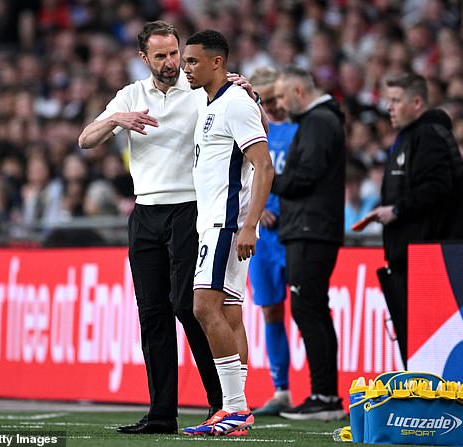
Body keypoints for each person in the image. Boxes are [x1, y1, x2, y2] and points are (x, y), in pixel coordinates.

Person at [78, 21, 222, 435]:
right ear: (145, 59)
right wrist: (116, 119)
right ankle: (162, 413)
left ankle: (220, 403)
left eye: (174, 53)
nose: (171, 62)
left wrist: (243, 87)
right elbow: (86, 139)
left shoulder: (198, 90)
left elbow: (234, 100)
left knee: (186, 307)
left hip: (187, 209)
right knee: (152, 315)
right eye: (161, 55)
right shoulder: (131, 95)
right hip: (145, 213)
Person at [181, 30, 274, 436]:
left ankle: (233, 407)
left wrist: (249, 224)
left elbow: (264, 165)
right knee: (231, 313)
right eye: (185, 62)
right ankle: (238, 411)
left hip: (226, 224)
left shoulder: (235, 103)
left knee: (204, 307)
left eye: (193, 62)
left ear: (217, 62)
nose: (186, 69)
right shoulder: (214, 103)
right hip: (216, 223)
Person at [363, 72, 463, 366]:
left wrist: (397, 210)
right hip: (412, 256)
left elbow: (437, 186)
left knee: (430, 343)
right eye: (388, 100)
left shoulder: (428, 135)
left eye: (396, 100)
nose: (389, 107)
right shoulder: (408, 137)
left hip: (432, 259)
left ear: (416, 103)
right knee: (414, 341)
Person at [272, 65, 347, 421]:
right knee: (313, 308)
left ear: (299, 92)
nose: (281, 105)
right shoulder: (323, 121)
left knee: (308, 308)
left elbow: (306, 174)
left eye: (284, 97)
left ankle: (324, 395)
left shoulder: (318, 122)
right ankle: (326, 395)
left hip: (310, 229)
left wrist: (271, 179)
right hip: (312, 227)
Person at [246, 67, 298, 416]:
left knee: (306, 309)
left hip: (294, 233)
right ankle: (282, 390)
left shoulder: (300, 130)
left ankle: (322, 390)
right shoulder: (247, 131)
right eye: (264, 98)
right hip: (262, 238)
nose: (273, 105)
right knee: (270, 310)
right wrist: (256, 207)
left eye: (276, 97)